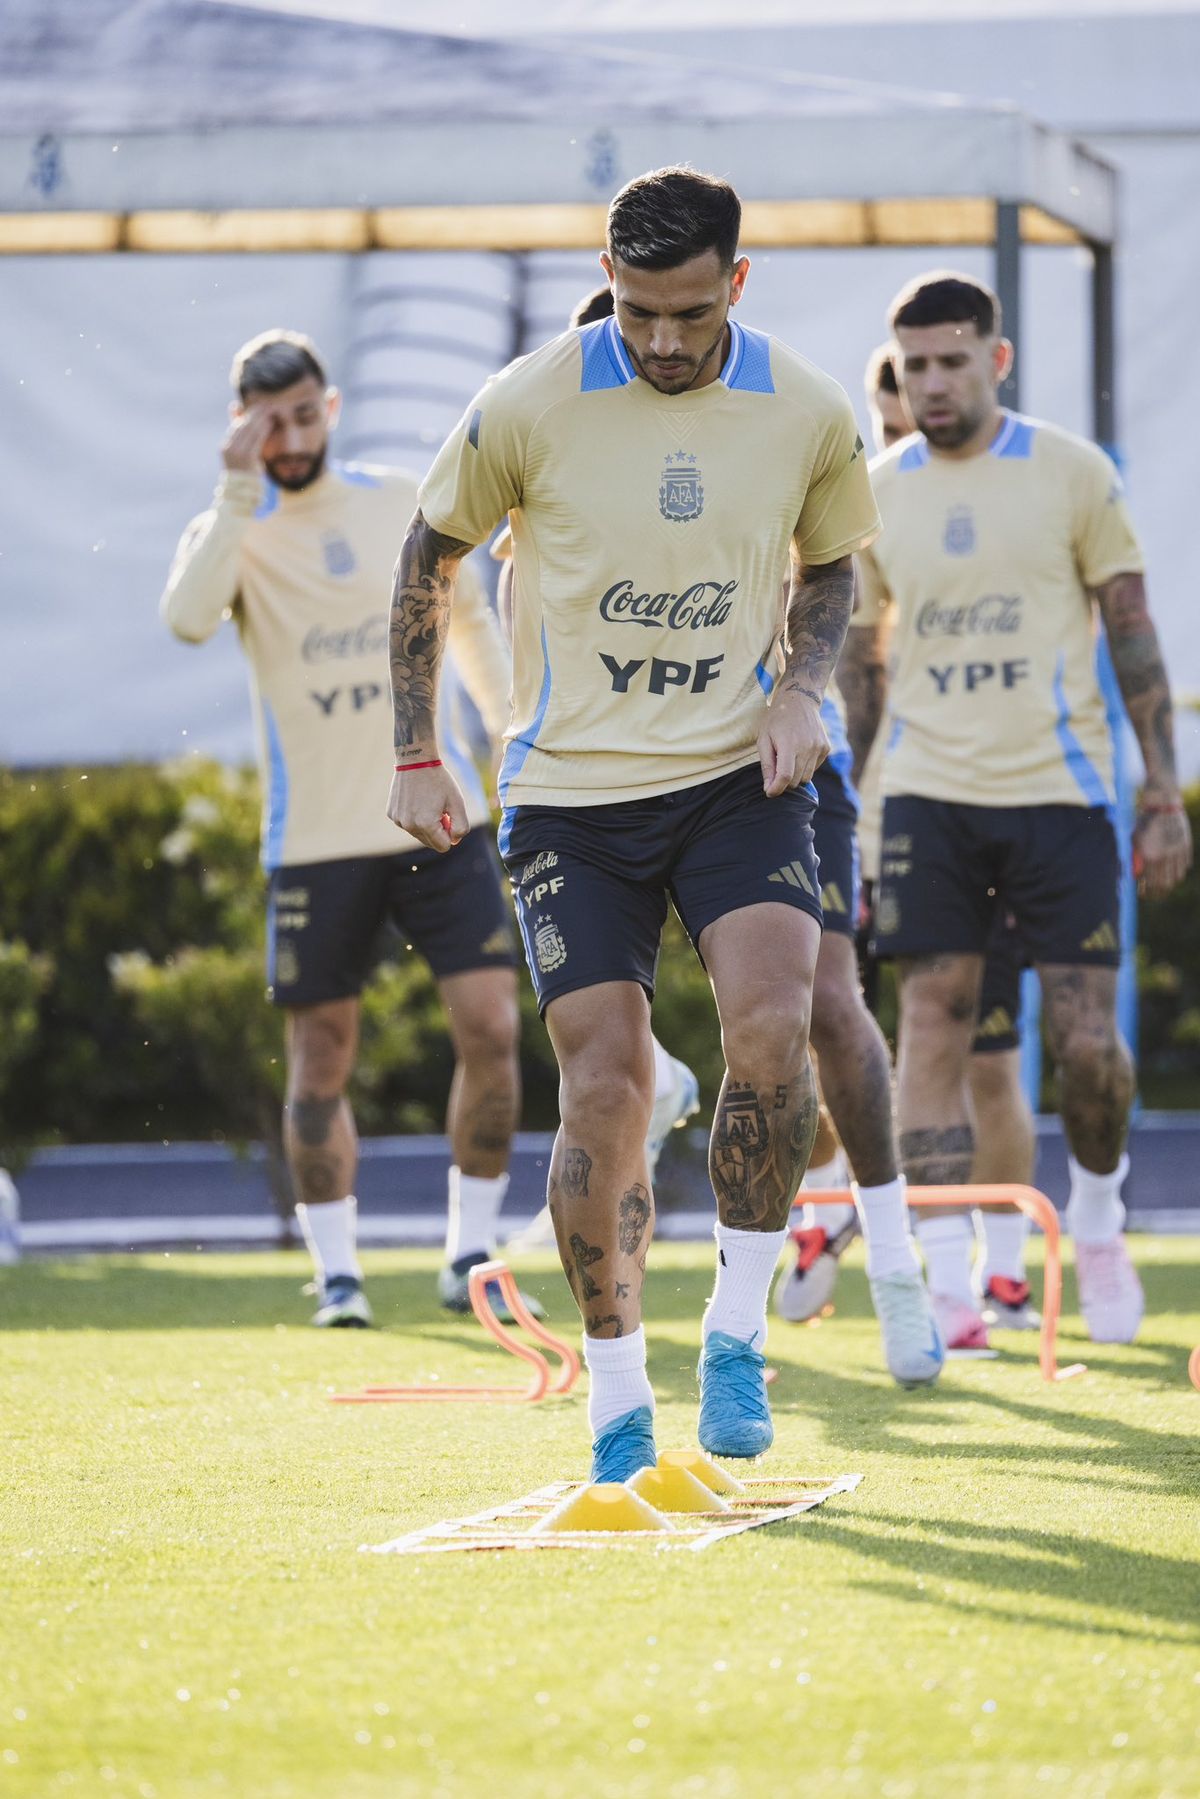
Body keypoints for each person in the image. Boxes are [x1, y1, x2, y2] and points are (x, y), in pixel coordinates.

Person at [386, 167, 943, 1483]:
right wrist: (413, 749)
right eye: (637, 311)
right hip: (570, 797)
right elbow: (426, 557)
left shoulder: (805, 407)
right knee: (606, 1087)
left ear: (736, 284)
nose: (662, 340)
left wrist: (804, 691)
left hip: (734, 778)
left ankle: (737, 1333)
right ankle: (620, 1396)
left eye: (689, 312)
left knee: (774, 1023)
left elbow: (829, 567)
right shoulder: (527, 399)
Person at [161, 329, 537, 1329]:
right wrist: (237, 493)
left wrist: (510, 732)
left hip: (438, 813)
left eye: (299, 414)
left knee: (494, 1030)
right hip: (316, 840)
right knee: (321, 1057)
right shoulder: (231, 526)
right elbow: (187, 618)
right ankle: (339, 1275)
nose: (284, 436)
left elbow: (464, 620)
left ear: (329, 408)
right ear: (239, 422)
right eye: (262, 419)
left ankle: (469, 1253)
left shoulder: (393, 496)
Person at [860, 272, 1192, 1348]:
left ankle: (1095, 1219)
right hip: (925, 797)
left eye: (954, 361)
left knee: (1090, 1043)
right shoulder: (873, 490)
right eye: (916, 367)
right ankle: (947, 1283)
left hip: (1059, 794)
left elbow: (1133, 629)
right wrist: (857, 813)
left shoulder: (1070, 471)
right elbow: (861, 672)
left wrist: (1160, 789)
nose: (934, 383)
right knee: (934, 1021)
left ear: (995, 361)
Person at [788, 345, 1040, 1335]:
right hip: (862, 814)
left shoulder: (985, 514)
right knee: (834, 1025)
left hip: (973, 813)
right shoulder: (840, 518)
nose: (907, 438)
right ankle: (831, 1213)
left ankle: (1003, 1271)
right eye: (889, 422)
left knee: (986, 1051)